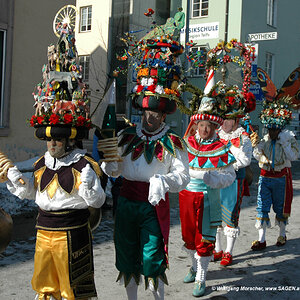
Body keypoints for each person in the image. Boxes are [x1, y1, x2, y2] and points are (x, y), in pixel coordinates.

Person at [6, 133, 105, 299]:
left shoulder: (84, 164)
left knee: (72, 286)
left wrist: (88, 187)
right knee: (44, 284)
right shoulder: (42, 163)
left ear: (70, 141)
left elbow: (98, 201)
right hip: (44, 231)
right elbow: (32, 192)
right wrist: (18, 180)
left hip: (71, 233)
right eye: (48, 140)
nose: (52, 144)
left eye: (57, 140)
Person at [179, 93, 236, 297]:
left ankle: (201, 277)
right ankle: (193, 267)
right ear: (196, 125)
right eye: (202, 125)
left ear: (215, 127)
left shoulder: (221, 148)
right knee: (188, 236)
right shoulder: (187, 143)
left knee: (203, 239)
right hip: (186, 196)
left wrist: (214, 180)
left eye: (209, 126)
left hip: (207, 199)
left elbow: (229, 177)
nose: (204, 129)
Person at [250, 97, 299, 250]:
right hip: (265, 177)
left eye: (274, 129)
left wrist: (284, 142)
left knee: (281, 207)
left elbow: (293, 157)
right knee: (262, 207)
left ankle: (282, 234)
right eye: (270, 129)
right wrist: (256, 146)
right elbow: (257, 157)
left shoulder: (288, 139)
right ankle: (262, 239)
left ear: (280, 128)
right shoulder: (264, 139)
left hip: (281, 178)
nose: (271, 132)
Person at [215, 112, 253, 266]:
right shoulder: (216, 134)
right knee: (215, 214)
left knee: (230, 215)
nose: (223, 122)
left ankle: (228, 251)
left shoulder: (243, 137)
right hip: (215, 179)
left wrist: (230, 149)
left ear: (236, 120)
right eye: (223, 118)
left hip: (234, 179)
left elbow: (245, 160)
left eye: (228, 119)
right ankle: (217, 249)